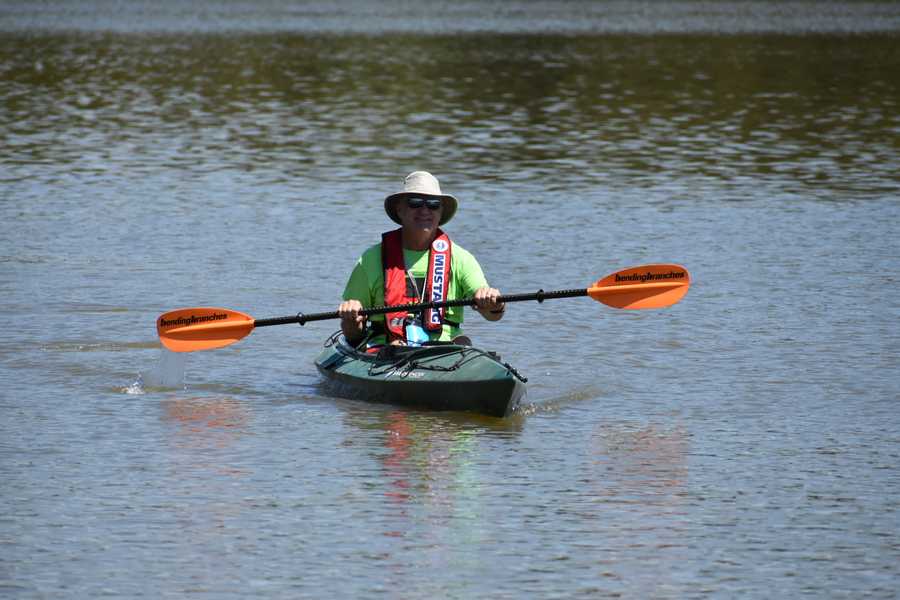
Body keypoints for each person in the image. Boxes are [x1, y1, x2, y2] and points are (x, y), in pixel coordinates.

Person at [338, 171, 506, 348]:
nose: (425, 210)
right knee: (395, 346)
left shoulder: (462, 259)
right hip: (388, 350)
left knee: (464, 344)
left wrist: (493, 302)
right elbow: (352, 334)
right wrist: (351, 319)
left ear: (440, 212)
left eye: (433, 205)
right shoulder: (370, 259)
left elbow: (492, 315)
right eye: (415, 203)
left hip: (447, 351)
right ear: (400, 210)